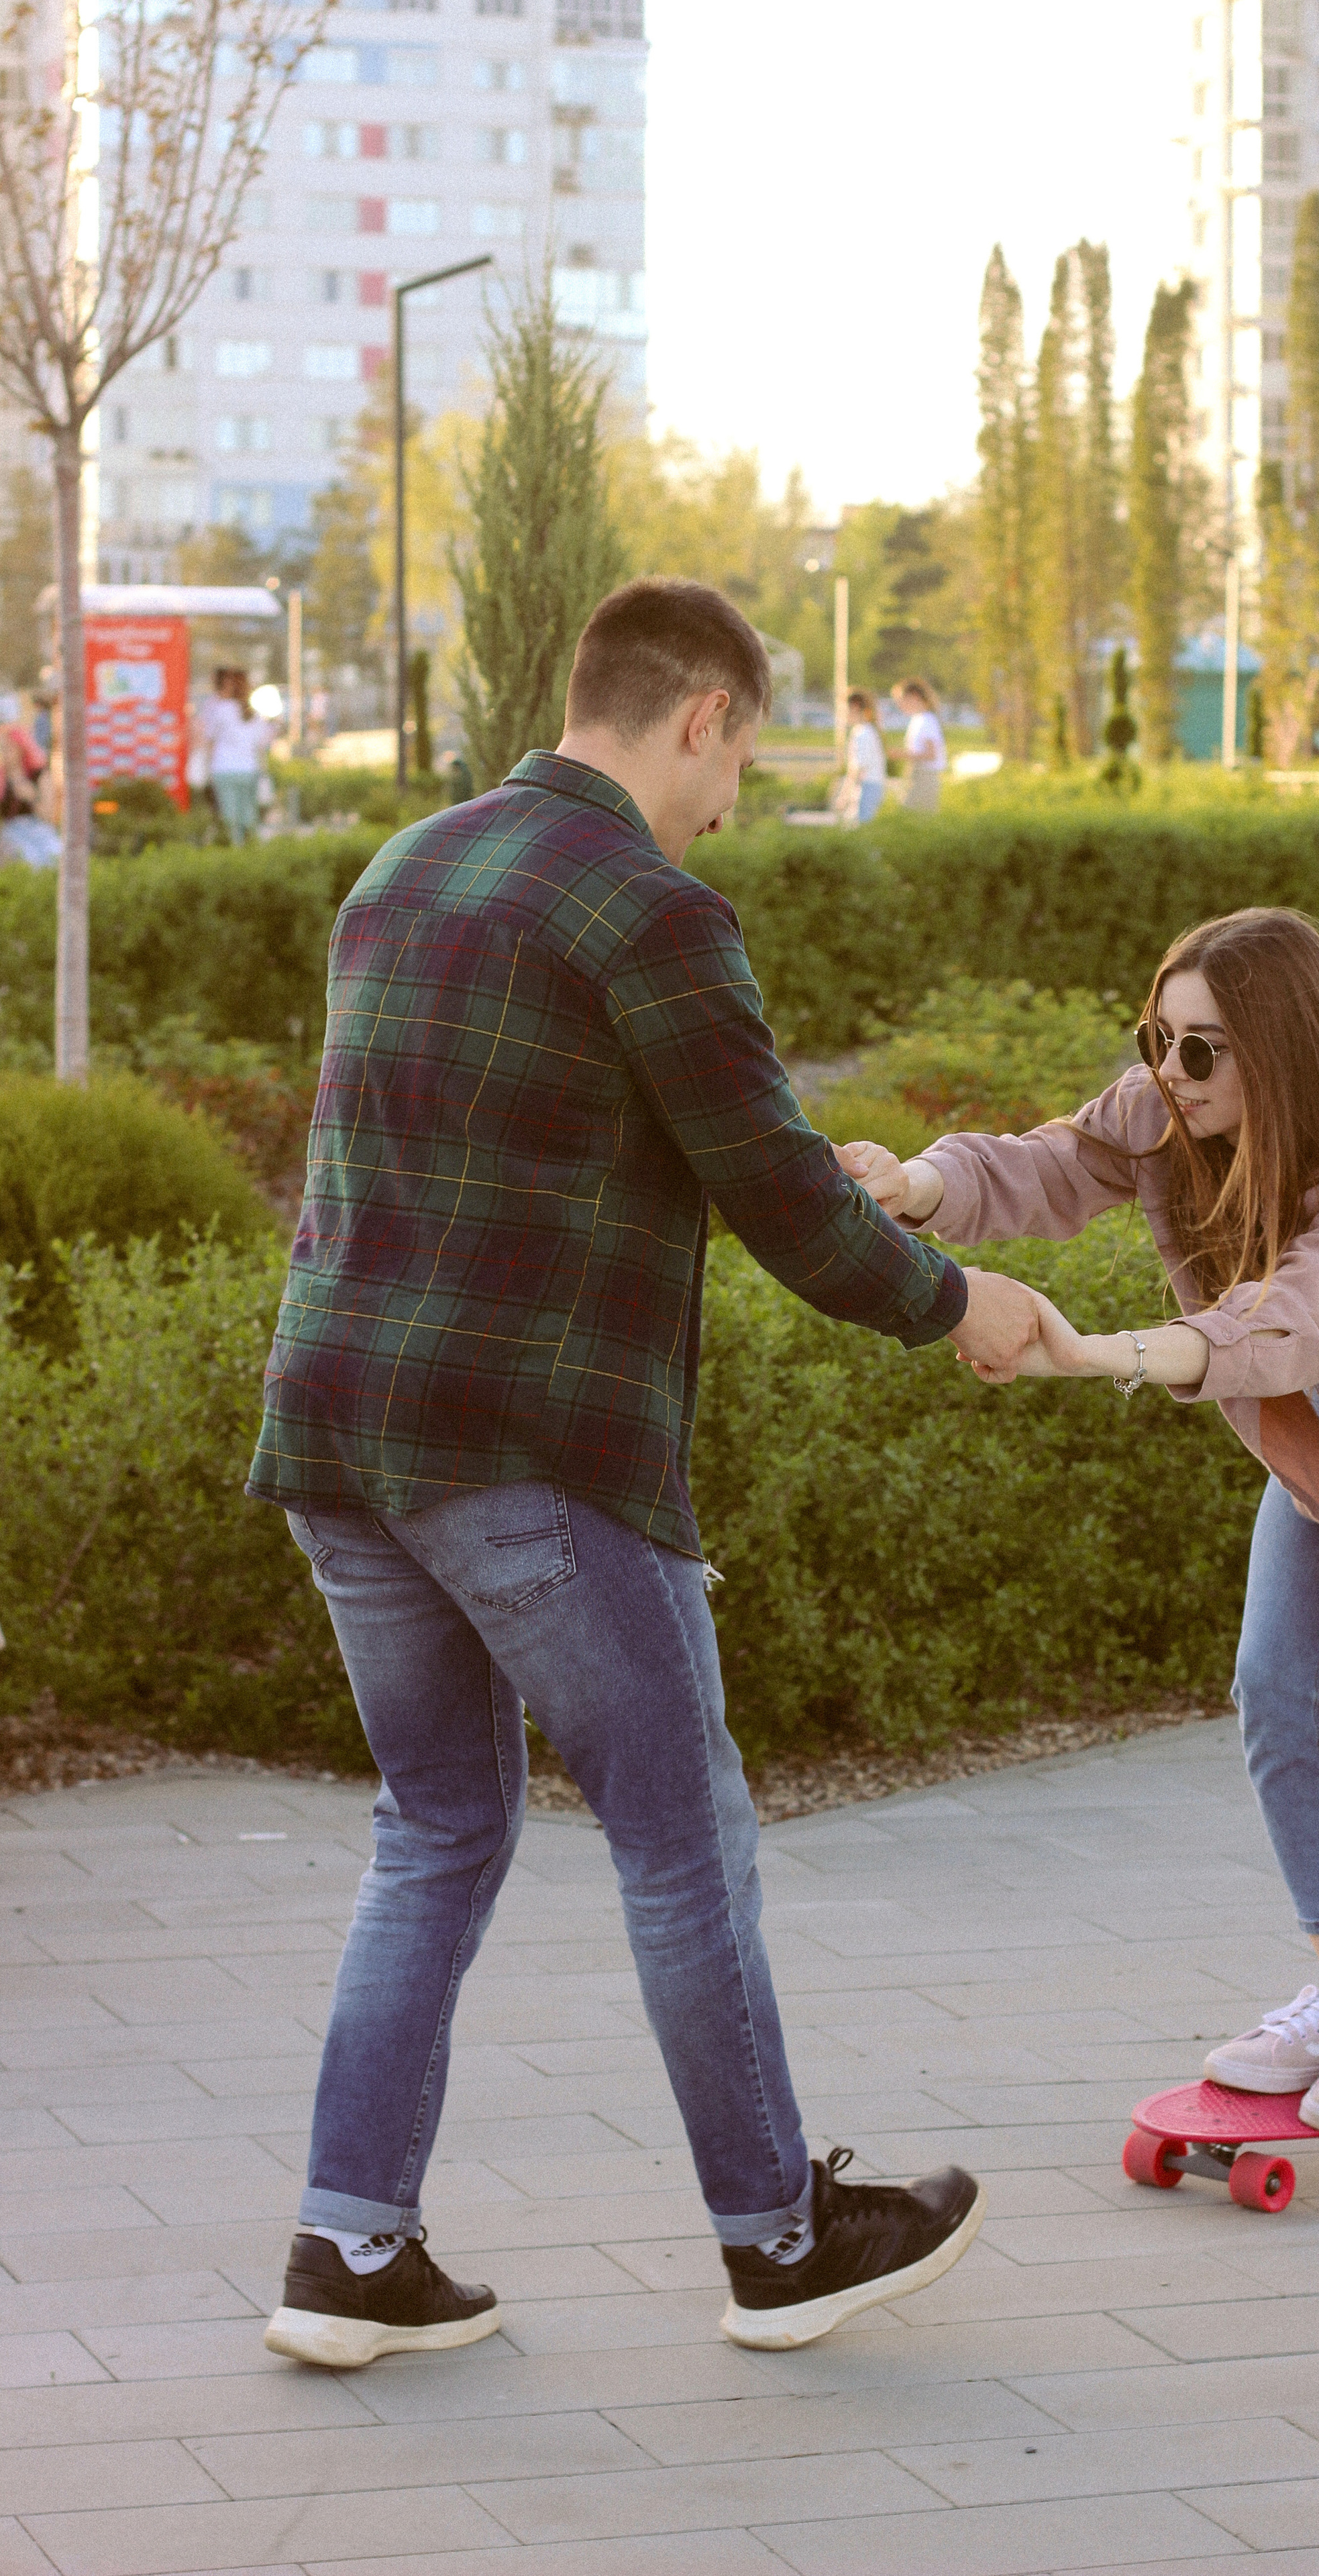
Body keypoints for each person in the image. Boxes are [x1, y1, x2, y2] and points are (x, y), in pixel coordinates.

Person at [246, 577, 1035, 2370]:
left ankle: (349, 2251)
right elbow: (779, 1207)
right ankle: (781, 2239)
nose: (735, 797)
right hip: (532, 1452)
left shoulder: (405, 870)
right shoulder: (652, 909)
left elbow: (552, 1140)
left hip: (344, 1437)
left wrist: (788, 1164)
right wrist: (957, 1302)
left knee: (436, 1829)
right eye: (743, 753)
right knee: (685, 1839)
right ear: (700, 715)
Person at [839, 906, 1319, 2142]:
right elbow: (1049, 1162)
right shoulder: (1170, 1106)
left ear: (1283, 1048)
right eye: (1158, 1036)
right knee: (1273, 1687)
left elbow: (1287, 1324)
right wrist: (913, 1183)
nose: (1169, 1070)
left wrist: (1086, 1352)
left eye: (1204, 1050)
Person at [201, 668, 274, 843]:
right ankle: (250, 852)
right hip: (249, 769)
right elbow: (261, 744)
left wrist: (207, 767)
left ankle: (236, 853)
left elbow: (209, 740)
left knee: (230, 818)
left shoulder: (220, 709)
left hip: (224, 769)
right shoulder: (253, 713)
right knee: (249, 816)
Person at [893, 677, 946, 813]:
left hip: (926, 776)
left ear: (914, 697)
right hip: (916, 774)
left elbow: (931, 755)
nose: (900, 706)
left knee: (915, 816)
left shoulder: (927, 720)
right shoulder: (917, 719)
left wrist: (900, 754)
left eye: (901, 701)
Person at [835, 689, 888, 824]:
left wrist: (844, 796)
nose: (841, 714)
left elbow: (857, 770)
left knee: (860, 828)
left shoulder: (863, 734)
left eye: (843, 710)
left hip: (867, 787)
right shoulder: (864, 730)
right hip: (870, 786)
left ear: (855, 707)